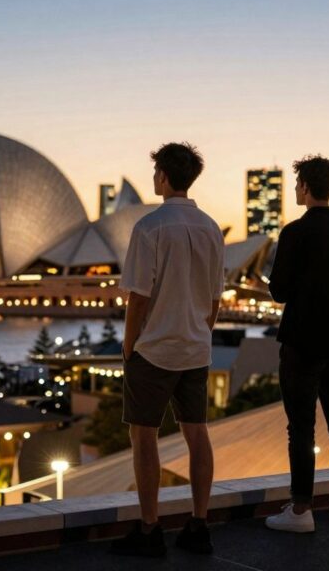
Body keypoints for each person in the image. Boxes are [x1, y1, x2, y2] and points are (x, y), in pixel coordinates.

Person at [111, 142, 225, 557]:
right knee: (197, 433)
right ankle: (199, 525)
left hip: (154, 350)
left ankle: (150, 529)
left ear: (162, 176)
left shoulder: (149, 227)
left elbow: (138, 298)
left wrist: (129, 347)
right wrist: (200, 333)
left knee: (144, 437)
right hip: (195, 349)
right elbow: (215, 300)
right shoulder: (212, 228)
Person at [264, 155, 329, 533]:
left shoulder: (294, 232)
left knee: (301, 427)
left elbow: (279, 291)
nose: (295, 189)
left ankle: (301, 509)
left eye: (297, 184)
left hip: (301, 341)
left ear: (306, 187)